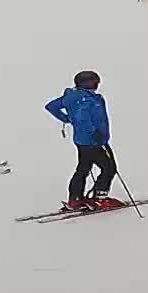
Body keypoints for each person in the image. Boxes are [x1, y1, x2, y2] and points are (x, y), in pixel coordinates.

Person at [45, 70, 118, 210]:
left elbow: (51, 106)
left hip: (81, 140)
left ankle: (75, 199)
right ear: (86, 83)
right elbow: (82, 117)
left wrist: (66, 118)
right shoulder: (87, 99)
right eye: (93, 82)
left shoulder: (72, 96)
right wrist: (94, 133)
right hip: (94, 141)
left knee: (83, 168)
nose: (96, 84)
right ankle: (100, 199)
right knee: (109, 168)